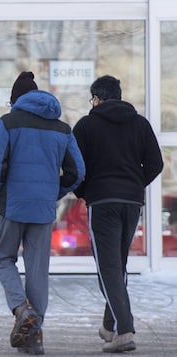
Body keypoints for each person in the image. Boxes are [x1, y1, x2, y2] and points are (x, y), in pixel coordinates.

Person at [0, 71, 85, 355]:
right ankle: (34, 337)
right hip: (42, 209)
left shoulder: (7, 123)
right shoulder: (62, 129)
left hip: (12, 205)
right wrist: (53, 193)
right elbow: (77, 172)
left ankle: (21, 308)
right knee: (38, 272)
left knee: (3, 259)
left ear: (16, 100)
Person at [72, 75, 163, 353]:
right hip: (131, 202)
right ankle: (109, 326)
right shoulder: (140, 123)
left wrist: (86, 191)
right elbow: (156, 163)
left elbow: (74, 166)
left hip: (102, 203)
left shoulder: (87, 125)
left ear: (97, 98)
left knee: (108, 268)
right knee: (118, 264)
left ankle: (124, 330)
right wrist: (134, 185)